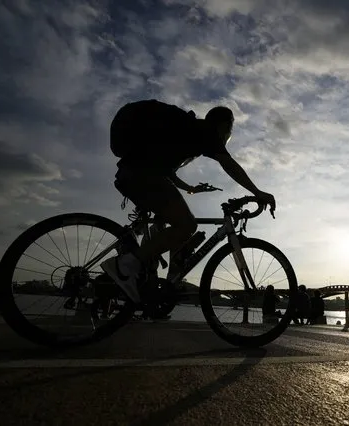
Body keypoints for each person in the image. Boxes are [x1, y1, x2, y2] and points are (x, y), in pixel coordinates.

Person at [100, 99, 276, 303]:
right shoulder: (206, 131)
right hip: (139, 172)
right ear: (224, 126)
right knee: (186, 225)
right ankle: (125, 266)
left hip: (135, 171)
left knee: (175, 222)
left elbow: (168, 175)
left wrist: (191, 189)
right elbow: (228, 164)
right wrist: (257, 191)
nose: (226, 137)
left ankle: (136, 271)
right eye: (229, 131)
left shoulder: (186, 134)